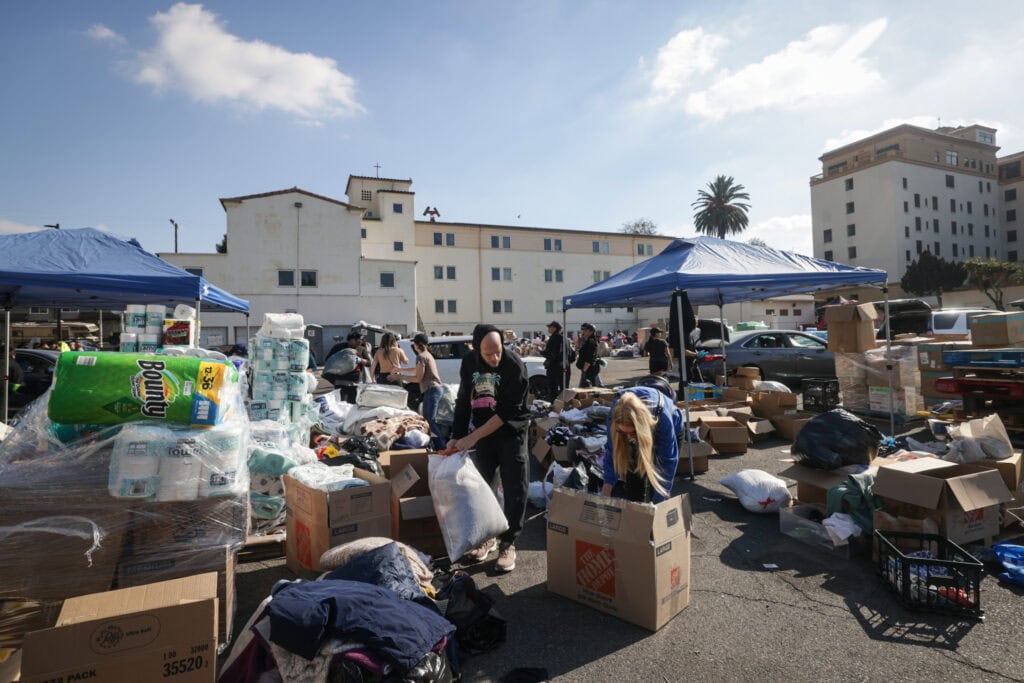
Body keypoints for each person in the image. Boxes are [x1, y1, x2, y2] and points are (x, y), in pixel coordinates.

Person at [448, 324, 529, 572]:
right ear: (476, 349)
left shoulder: (514, 366)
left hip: (511, 431)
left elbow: (507, 413)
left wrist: (472, 438)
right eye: (488, 354)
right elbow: (463, 400)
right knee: (484, 486)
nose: (495, 358)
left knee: (515, 485)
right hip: (483, 433)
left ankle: (509, 542)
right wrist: (457, 436)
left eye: (498, 351)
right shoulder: (469, 363)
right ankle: (488, 536)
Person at [600, 386, 684, 503]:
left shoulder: (663, 419)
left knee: (658, 487)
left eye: (632, 433)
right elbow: (612, 452)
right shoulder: (613, 417)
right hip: (642, 429)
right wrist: (607, 488)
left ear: (641, 429)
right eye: (623, 433)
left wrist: (658, 503)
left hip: (666, 427)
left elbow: (667, 464)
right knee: (634, 485)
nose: (629, 438)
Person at [389, 333, 443, 449]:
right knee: (429, 420)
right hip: (434, 389)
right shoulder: (427, 355)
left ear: (416, 345)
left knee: (430, 420)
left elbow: (418, 378)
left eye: (414, 344)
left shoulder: (421, 357)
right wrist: (401, 369)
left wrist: (399, 376)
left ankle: (441, 447)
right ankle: (436, 445)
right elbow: (417, 370)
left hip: (431, 389)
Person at [540, 320, 570, 401]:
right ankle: (563, 406)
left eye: (550, 327)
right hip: (565, 365)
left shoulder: (554, 338)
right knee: (564, 389)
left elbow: (551, 354)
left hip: (554, 367)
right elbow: (571, 354)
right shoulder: (565, 339)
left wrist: (540, 350)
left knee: (553, 388)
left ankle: (554, 406)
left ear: (554, 328)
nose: (548, 329)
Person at [576, 322, 602, 388]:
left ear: (590, 331)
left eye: (585, 330)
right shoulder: (589, 340)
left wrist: (584, 371)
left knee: (589, 388)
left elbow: (589, 358)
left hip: (589, 369)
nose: (584, 331)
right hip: (588, 368)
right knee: (587, 387)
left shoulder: (591, 342)